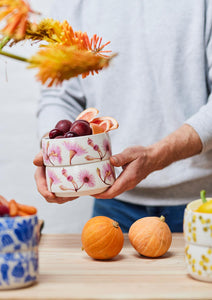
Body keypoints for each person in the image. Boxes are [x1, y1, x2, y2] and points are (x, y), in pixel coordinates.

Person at [33, 0, 212, 233]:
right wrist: (54, 152)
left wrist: (156, 155)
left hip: (201, 203)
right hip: (112, 202)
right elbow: (59, 95)